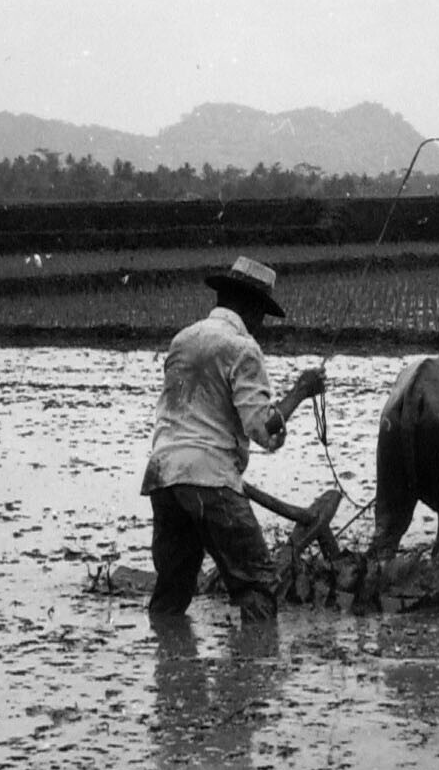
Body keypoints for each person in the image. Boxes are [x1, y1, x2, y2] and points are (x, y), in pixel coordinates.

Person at [140, 255, 326, 625]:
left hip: (163, 477)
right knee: (258, 585)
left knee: (172, 591)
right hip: (211, 479)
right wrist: (301, 391)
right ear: (252, 308)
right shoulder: (242, 348)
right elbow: (263, 429)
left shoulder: (183, 339)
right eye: (261, 316)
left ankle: (168, 655)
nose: (260, 326)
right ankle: (256, 659)